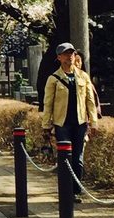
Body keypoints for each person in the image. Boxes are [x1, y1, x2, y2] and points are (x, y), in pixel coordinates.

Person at [41, 42, 99, 195]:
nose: (70, 57)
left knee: (78, 159)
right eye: (66, 54)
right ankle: (65, 190)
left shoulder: (83, 76)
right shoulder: (53, 79)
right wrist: (46, 125)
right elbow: (48, 103)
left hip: (80, 122)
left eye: (72, 53)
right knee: (65, 158)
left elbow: (90, 101)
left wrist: (93, 122)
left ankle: (76, 191)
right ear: (59, 57)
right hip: (62, 124)